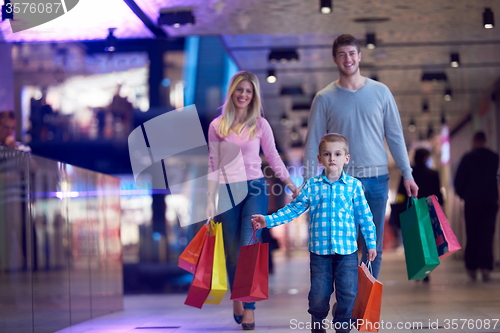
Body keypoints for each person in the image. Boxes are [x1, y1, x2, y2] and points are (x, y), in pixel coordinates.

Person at [303, 34, 418, 279]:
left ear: (360, 56)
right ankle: (348, 301)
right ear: (334, 58)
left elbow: (395, 136)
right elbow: (313, 140)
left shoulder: (381, 92)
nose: (348, 59)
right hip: (340, 183)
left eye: (352, 53)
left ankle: (365, 307)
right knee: (344, 248)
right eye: (342, 54)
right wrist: (306, 181)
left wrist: (407, 174)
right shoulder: (324, 97)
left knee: (372, 246)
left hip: (377, 179)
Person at [252, 133, 376, 333]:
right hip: (320, 252)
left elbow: (365, 216)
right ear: (320, 159)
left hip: (347, 252)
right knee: (318, 295)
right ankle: (318, 323)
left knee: (349, 293)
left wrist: (371, 243)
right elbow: (293, 210)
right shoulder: (312, 186)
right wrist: (268, 220)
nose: (332, 158)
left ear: (346, 158)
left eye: (337, 154)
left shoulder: (354, 186)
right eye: (327, 154)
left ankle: (342, 324)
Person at [206, 70, 299, 331]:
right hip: (226, 190)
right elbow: (213, 164)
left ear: (254, 95)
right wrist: (209, 199)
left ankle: (249, 308)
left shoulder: (260, 125)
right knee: (233, 253)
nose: (244, 95)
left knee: (251, 245)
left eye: (248, 91)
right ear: (232, 91)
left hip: (255, 189)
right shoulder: (217, 126)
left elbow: (274, 158)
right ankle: (237, 295)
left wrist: (291, 185)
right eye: (240, 90)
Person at [454, 131, 499, 282]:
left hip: (472, 203)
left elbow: (458, 182)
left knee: (472, 235)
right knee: (487, 235)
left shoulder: (468, 158)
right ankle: (486, 268)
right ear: (485, 140)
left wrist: (464, 196)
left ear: (474, 141)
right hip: (490, 203)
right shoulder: (494, 158)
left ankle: (471, 268)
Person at [394, 148, 444, 282]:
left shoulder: (408, 175)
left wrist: (399, 209)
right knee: (427, 241)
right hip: (427, 212)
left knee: (414, 242)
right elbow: (438, 195)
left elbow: (400, 194)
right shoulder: (433, 174)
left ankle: (417, 269)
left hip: (411, 212)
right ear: (425, 158)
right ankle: (426, 271)